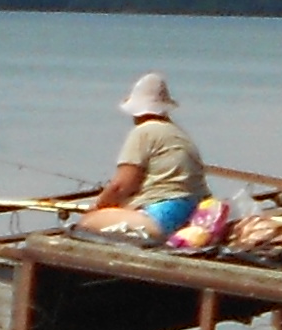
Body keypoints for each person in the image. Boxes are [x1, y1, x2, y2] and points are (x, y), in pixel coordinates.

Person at [78, 72, 208, 238]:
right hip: (194, 213)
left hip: (161, 218)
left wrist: (97, 206)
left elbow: (121, 186)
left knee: (87, 223)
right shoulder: (179, 134)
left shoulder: (143, 132)